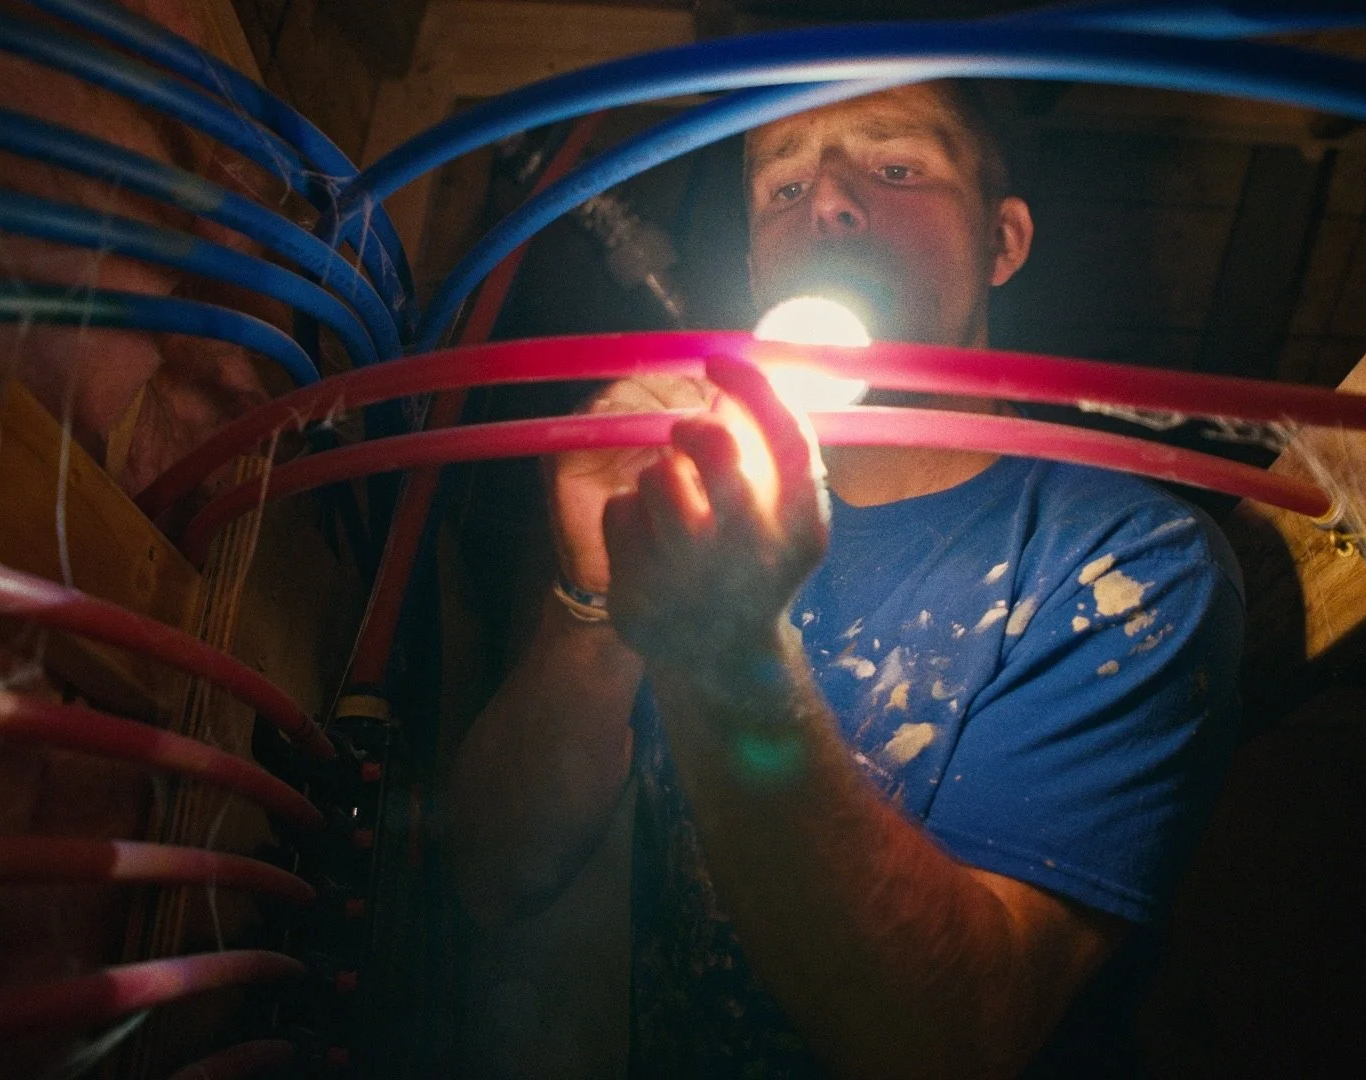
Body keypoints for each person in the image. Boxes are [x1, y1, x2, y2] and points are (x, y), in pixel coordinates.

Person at [449, 81, 1244, 1078]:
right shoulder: (689, 510)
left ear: (1002, 241)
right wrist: (596, 604)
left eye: (896, 167)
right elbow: (495, 873)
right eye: (783, 188)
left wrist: (724, 648)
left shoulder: (1127, 564)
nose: (827, 200)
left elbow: (950, 1044)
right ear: (756, 269)